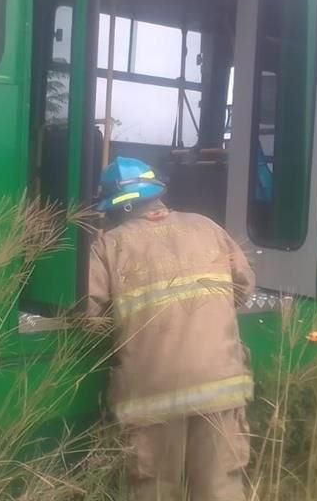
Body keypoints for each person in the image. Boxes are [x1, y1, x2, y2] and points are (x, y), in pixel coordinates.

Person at [85, 156, 256, 501]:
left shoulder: (108, 245)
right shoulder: (206, 228)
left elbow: (87, 316)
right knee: (221, 491)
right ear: (156, 193)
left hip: (152, 401)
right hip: (219, 390)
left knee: (155, 493)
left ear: (115, 206)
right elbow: (244, 286)